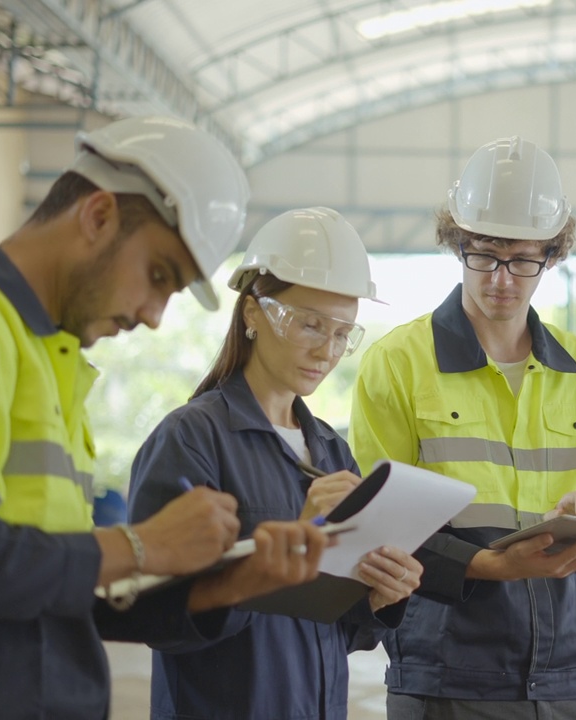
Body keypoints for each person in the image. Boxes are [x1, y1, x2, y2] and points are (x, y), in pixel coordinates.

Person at [0, 115, 329, 720]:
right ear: (97, 216)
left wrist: (238, 582)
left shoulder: (44, 359)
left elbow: (54, 589)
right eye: (158, 276)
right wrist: (141, 544)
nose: (153, 315)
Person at [349, 136, 576, 719]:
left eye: (523, 260)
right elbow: (380, 530)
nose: (502, 279)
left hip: (560, 675)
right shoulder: (398, 363)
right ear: (456, 245)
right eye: (484, 255)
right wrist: (491, 565)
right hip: (442, 670)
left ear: (552, 256)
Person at [128, 206, 424, 720]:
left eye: (341, 334)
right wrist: (293, 533)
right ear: (252, 314)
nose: (326, 350)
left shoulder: (332, 451)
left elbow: (338, 628)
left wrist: (380, 598)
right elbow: (157, 612)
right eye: (310, 324)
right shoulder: (192, 439)